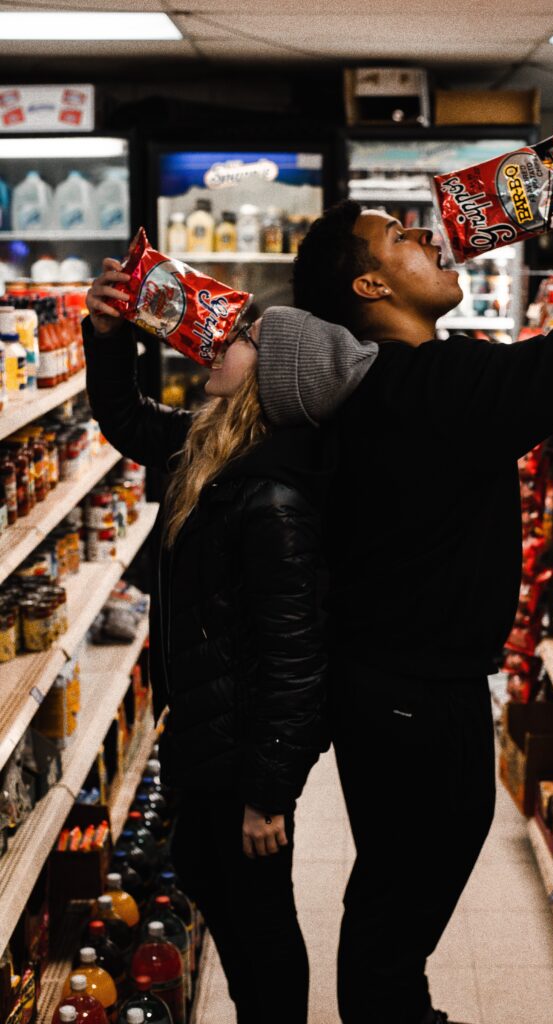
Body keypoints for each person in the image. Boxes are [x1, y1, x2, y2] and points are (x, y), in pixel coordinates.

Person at [258, 157, 553, 1024]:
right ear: (369, 283)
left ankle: (396, 1008)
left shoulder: (376, 388)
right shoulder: (428, 389)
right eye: (400, 237)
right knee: (402, 902)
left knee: (394, 894)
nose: (428, 236)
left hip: (390, 686)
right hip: (413, 696)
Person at [82, 260, 377, 1024]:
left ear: (269, 379)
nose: (222, 341)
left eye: (243, 337)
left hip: (242, 753)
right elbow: (125, 418)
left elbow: (295, 661)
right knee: (213, 884)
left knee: (259, 923)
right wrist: (108, 333)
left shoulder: (273, 499)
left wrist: (267, 795)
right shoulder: (215, 449)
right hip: (206, 735)